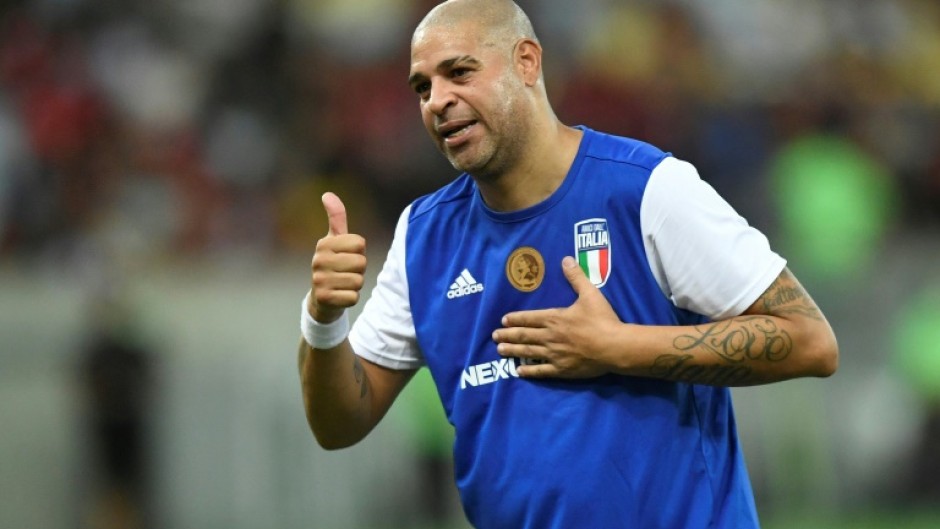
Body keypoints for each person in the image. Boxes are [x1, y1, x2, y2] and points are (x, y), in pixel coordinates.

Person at [296, 1, 839, 527]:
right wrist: (323, 319)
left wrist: (619, 347)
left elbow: (810, 342)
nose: (437, 100)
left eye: (459, 72)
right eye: (423, 87)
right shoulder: (423, 236)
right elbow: (340, 423)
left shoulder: (648, 188)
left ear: (526, 62)